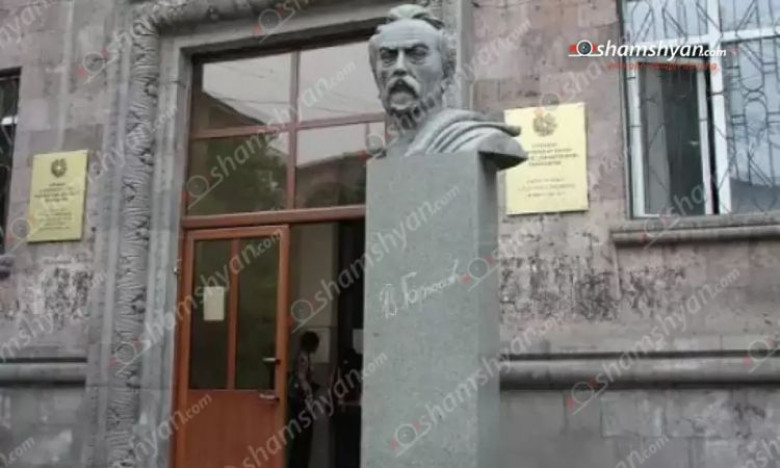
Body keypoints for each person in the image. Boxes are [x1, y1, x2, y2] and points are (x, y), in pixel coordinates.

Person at [367, 4, 526, 163]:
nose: (399, 67)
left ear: (446, 72)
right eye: (388, 56)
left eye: (417, 54)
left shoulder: (476, 140)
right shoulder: (385, 155)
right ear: (375, 74)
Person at [288, 331, 320, 468]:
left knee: (301, 440)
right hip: (301, 402)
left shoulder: (303, 356)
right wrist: (309, 395)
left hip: (300, 401)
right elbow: (302, 378)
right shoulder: (303, 357)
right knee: (302, 440)